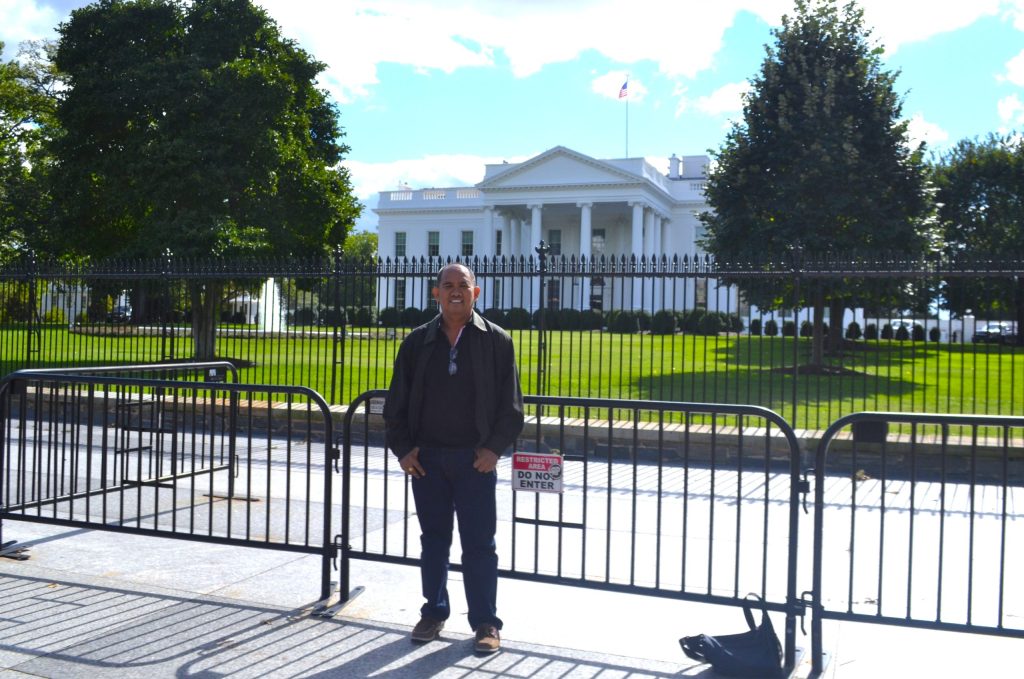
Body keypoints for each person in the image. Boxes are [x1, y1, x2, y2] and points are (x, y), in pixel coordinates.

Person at [384, 262, 524, 653]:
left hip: (474, 461)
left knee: (480, 544)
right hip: (427, 461)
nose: (455, 291)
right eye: (447, 285)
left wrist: (493, 449)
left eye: (463, 285)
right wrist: (404, 450)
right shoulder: (416, 342)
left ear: (476, 293)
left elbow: (511, 408)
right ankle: (434, 611)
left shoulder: (496, 341)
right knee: (434, 542)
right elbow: (394, 405)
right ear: (436, 294)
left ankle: (485, 623)